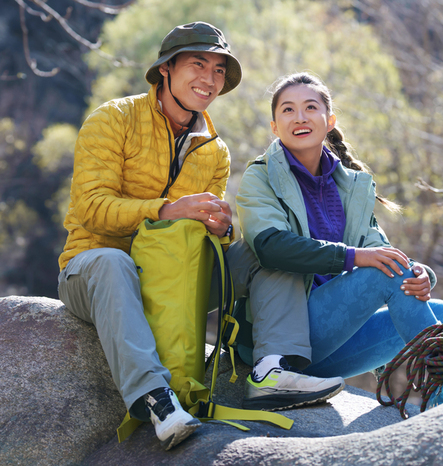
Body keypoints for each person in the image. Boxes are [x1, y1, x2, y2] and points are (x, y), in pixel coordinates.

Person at [56, 24, 341, 450]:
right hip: (95, 270)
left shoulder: (215, 150)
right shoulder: (112, 119)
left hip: (177, 278)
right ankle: (156, 400)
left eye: (219, 70)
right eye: (198, 64)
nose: (209, 79)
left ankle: (272, 371)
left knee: (264, 249)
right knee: (112, 262)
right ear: (166, 69)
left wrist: (223, 231)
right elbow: (90, 208)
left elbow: (215, 248)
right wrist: (167, 210)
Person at [235, 72, 443, 398]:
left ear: (329, 120)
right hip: (279, 336)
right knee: (384, 277)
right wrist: (354, 257)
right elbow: (271, 247)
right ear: (274, 127)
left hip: (329, 345)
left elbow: (380, 251)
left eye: (311, 107)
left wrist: (422, 274)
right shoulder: (261, 176)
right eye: (287, 110)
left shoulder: (350, 184)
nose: (299, 117)